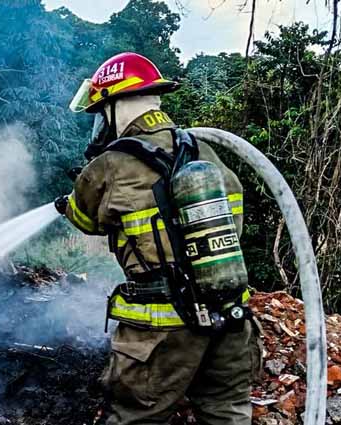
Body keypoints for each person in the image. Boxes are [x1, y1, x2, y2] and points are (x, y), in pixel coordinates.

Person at [55, 52, 259, 425]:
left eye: (101, 114)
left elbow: (84, 218)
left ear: (116, 106)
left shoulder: (111, 163)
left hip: (162, 332)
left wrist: (64, 204)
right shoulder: (203, 149)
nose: (101, 124)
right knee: (227, 412)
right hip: (231, 315)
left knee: (137, 418)